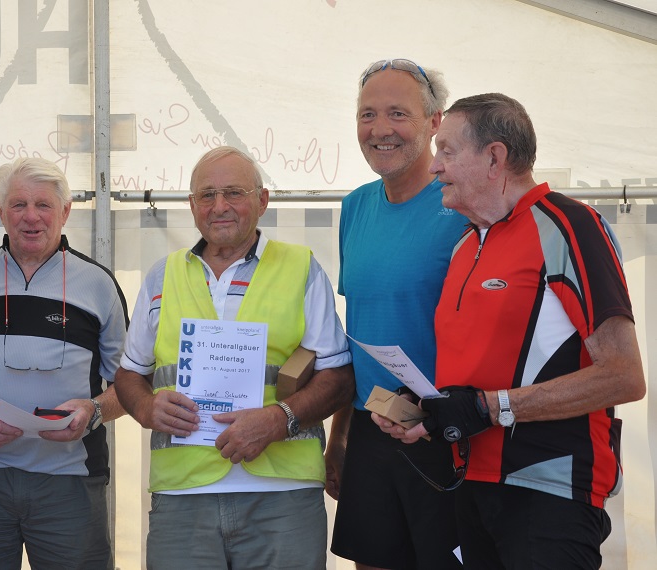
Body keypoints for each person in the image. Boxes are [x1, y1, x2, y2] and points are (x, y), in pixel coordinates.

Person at [383, 93, 646, 569]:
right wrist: (427, 409)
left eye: (446, 150)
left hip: (550, 488)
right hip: (472, 484)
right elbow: (479, 377)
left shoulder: (570, 225)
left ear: (494, 157)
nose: (434, 166)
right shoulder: (467, 243)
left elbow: (624, 375)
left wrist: (492, 407)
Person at [115, 146, 354, 570]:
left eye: (234, 193)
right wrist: (147, 406)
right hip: (181, 495)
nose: (219, 206)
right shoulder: (160, 275)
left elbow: (338, 375)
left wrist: (279, 419)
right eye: (206, 195)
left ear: (262, 200)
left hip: (282, 496)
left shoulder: (301, 268)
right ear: (191, 205)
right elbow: (129, 376)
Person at [0, 157, 129, 570]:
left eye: (43, 205)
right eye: (18, 205)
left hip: (71, 482)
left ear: (66, 211)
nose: (31, 217)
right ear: (2, 212)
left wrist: (94, 411)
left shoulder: (98, 284)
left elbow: (130, 386)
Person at [326, 59, 467, 569]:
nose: (380, 129)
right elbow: (357, 330)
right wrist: (341, 434)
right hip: (371, 426)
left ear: (435, 122)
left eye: (397, 114)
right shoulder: (355, 207)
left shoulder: (460, 204)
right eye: (367, 114)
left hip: (445, 429)